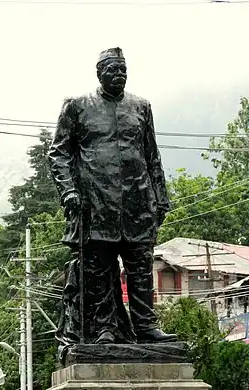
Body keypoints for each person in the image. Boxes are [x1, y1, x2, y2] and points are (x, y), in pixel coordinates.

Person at [48, 47, 177, 345]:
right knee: (99, 271)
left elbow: (152, 156)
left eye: (123, 69)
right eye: (112, 69)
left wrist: (161, 198)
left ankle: (146, 327)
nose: (119, 74)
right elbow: (58, 153)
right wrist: (68, 191)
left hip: (138, 203)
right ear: (99, 72)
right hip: (96, 204)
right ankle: (104, 327)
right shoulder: (77, 106)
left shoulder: (141, 107)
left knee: (141, 269)